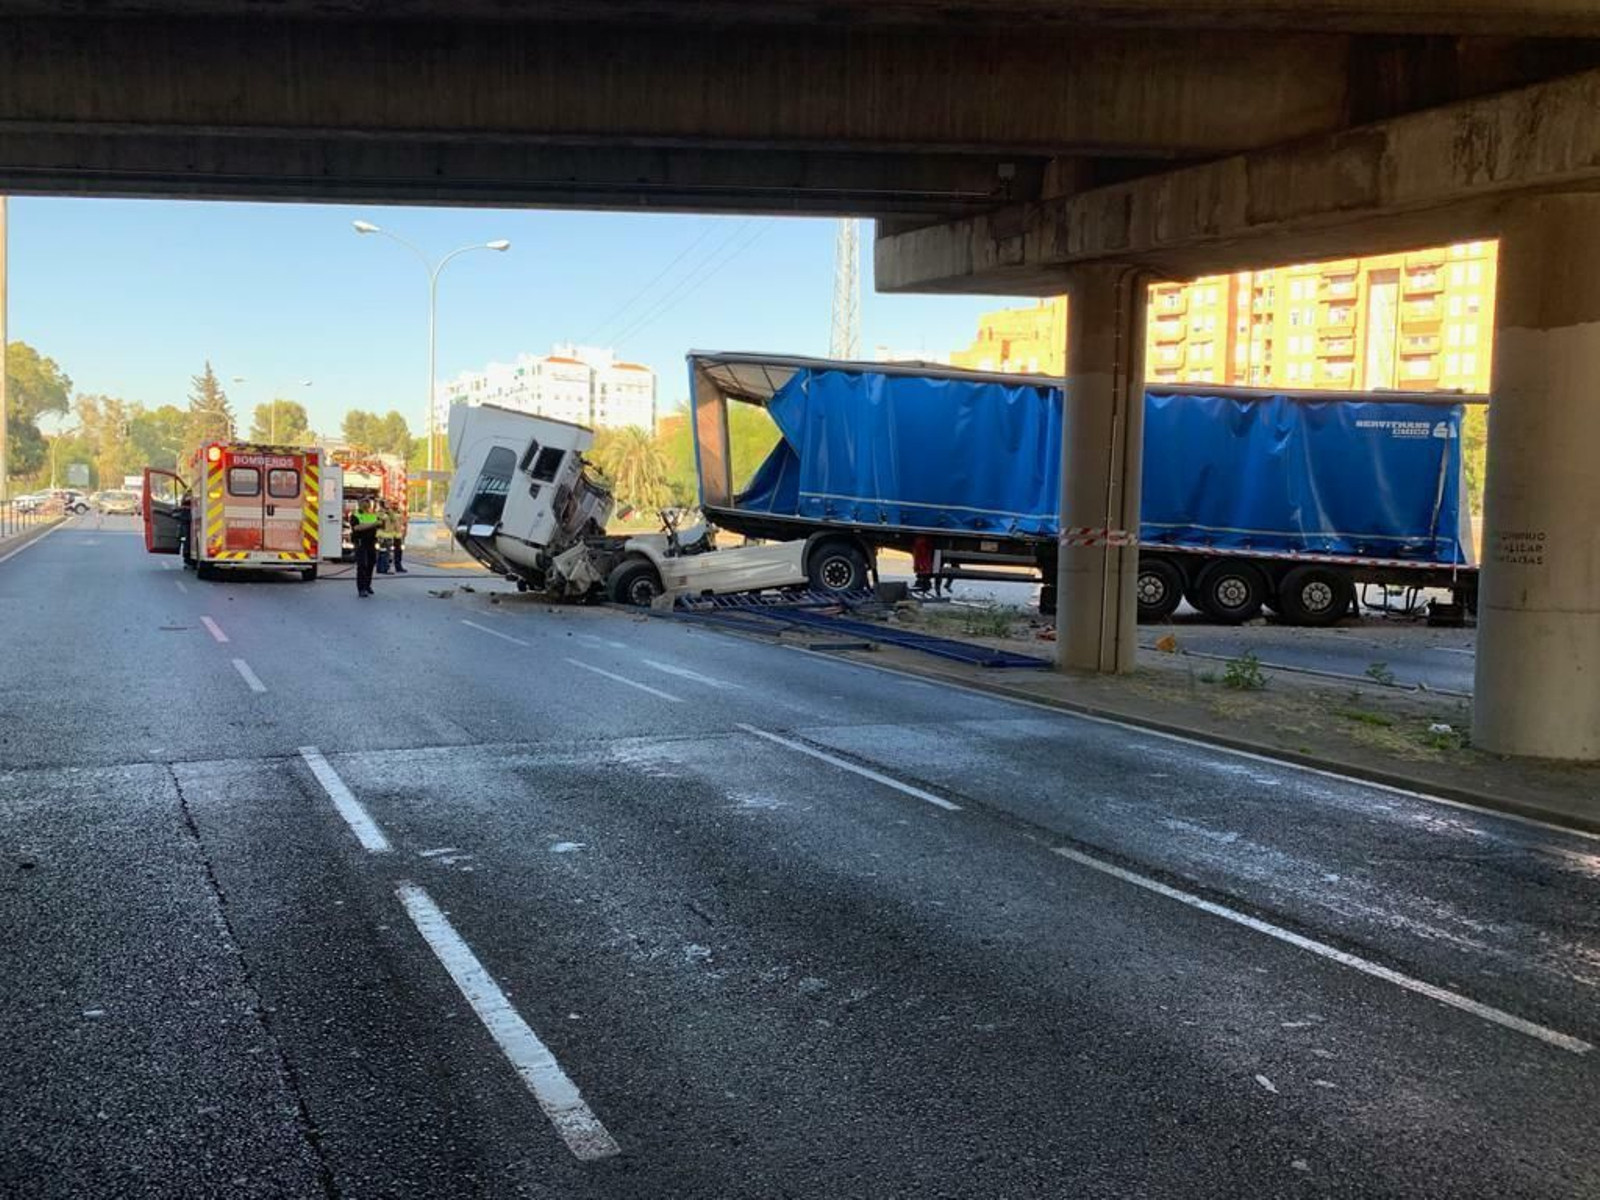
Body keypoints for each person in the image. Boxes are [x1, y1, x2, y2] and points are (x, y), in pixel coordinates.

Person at [349, 497, 382, 597]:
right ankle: (361, 589)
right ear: (360, 503)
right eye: (365, 501)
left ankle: (367, 585)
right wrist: (373, 524)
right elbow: (357, 527)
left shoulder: (373, 515)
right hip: (360, 543)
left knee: (371, 564)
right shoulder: (355, 515)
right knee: (362, 565)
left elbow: (379, 526)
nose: (367, 503)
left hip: (371, 543)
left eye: (368, 502)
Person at [380, 499, 407, 574]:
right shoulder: (387, 512)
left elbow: (403, 523)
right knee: (386, 552)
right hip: (389, 534)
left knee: (398, 551)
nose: (395, 505)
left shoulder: (400, 512)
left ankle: (398, 567)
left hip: (398, 535)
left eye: (396, 504)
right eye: (393, 504)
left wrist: (404, 532)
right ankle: (385, 567)